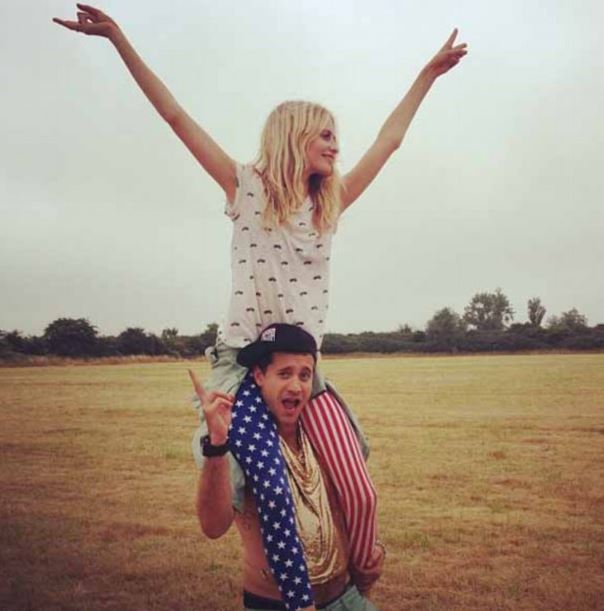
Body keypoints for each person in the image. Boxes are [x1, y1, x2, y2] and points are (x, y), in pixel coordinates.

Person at [54, 5, 467, 607]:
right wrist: (119, 39)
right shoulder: (243, 188)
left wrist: (425, 76)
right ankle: (286, 595)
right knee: (264, 489)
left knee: (354, 472)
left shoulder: (331, 206)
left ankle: (357, 576)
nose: (336, 145)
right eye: (325, 134)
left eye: (336, 136)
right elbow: (173, 116)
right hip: (244, 366)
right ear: (293, 137)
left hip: (301, 368)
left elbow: (391, 140)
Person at [190, 323, 383, 611]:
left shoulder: (325, 433)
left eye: (305, 375)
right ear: (258, 376)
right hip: (274, 604)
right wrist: (217, 444)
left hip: (346, 596)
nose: (296, 385)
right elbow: (213, 527)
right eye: (284, 373)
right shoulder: (243, 440)